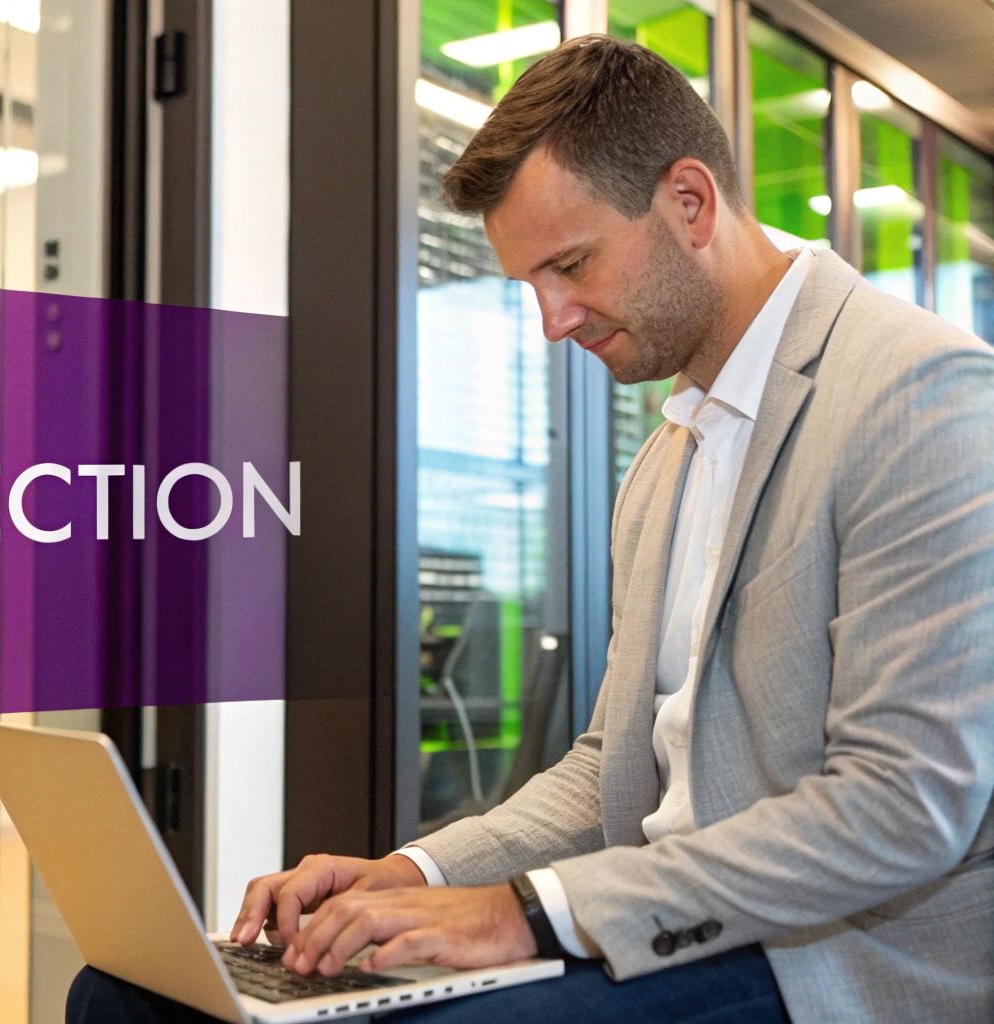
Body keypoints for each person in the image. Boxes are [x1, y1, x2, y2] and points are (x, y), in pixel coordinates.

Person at [68, 33, 994, 1024]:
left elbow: (902, 806)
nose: (552, 320)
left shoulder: (920, 396)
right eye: (528, 284)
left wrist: (525, 913)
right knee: (129, 995)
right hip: (655, 915)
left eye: (570, 264)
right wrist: (406, 869)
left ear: (688, 202)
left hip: (823, 960)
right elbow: (607, 764)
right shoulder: (668, 454)